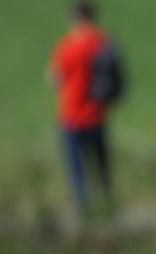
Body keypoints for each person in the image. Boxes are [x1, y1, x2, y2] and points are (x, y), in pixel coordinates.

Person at [48, 1, 113, 217]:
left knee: (76, 168)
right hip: (97, 112)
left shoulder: (67, 45)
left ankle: (83, 209)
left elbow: (54, 77)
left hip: (72, 113)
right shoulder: (102, 41)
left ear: (74, 18)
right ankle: (107, 203)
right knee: (100, 163)